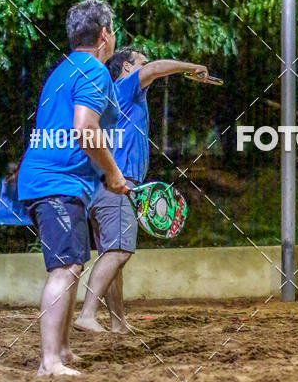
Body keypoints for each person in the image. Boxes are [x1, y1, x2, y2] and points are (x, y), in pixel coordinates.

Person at [18, 0, 127, 376]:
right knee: (65, 268)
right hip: (55, 183)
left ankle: (62, 352)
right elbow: (84, 130)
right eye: (113, 29)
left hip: (52, 180)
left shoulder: (63, 69)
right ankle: (49, 361)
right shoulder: (95, 71)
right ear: (104, 34)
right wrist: (113, 173)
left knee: (73, 265)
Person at [75, 50, 208, 334]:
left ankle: (118, 323)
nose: (145, 68)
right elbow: (159, 68)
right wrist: (193, 66)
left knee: (112, 255)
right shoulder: (125, 87)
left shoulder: (106, 98)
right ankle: (87, 313)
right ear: (126, 66)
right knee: (119, 252)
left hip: (98, 187)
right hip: (118, 185)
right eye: (140, 63)